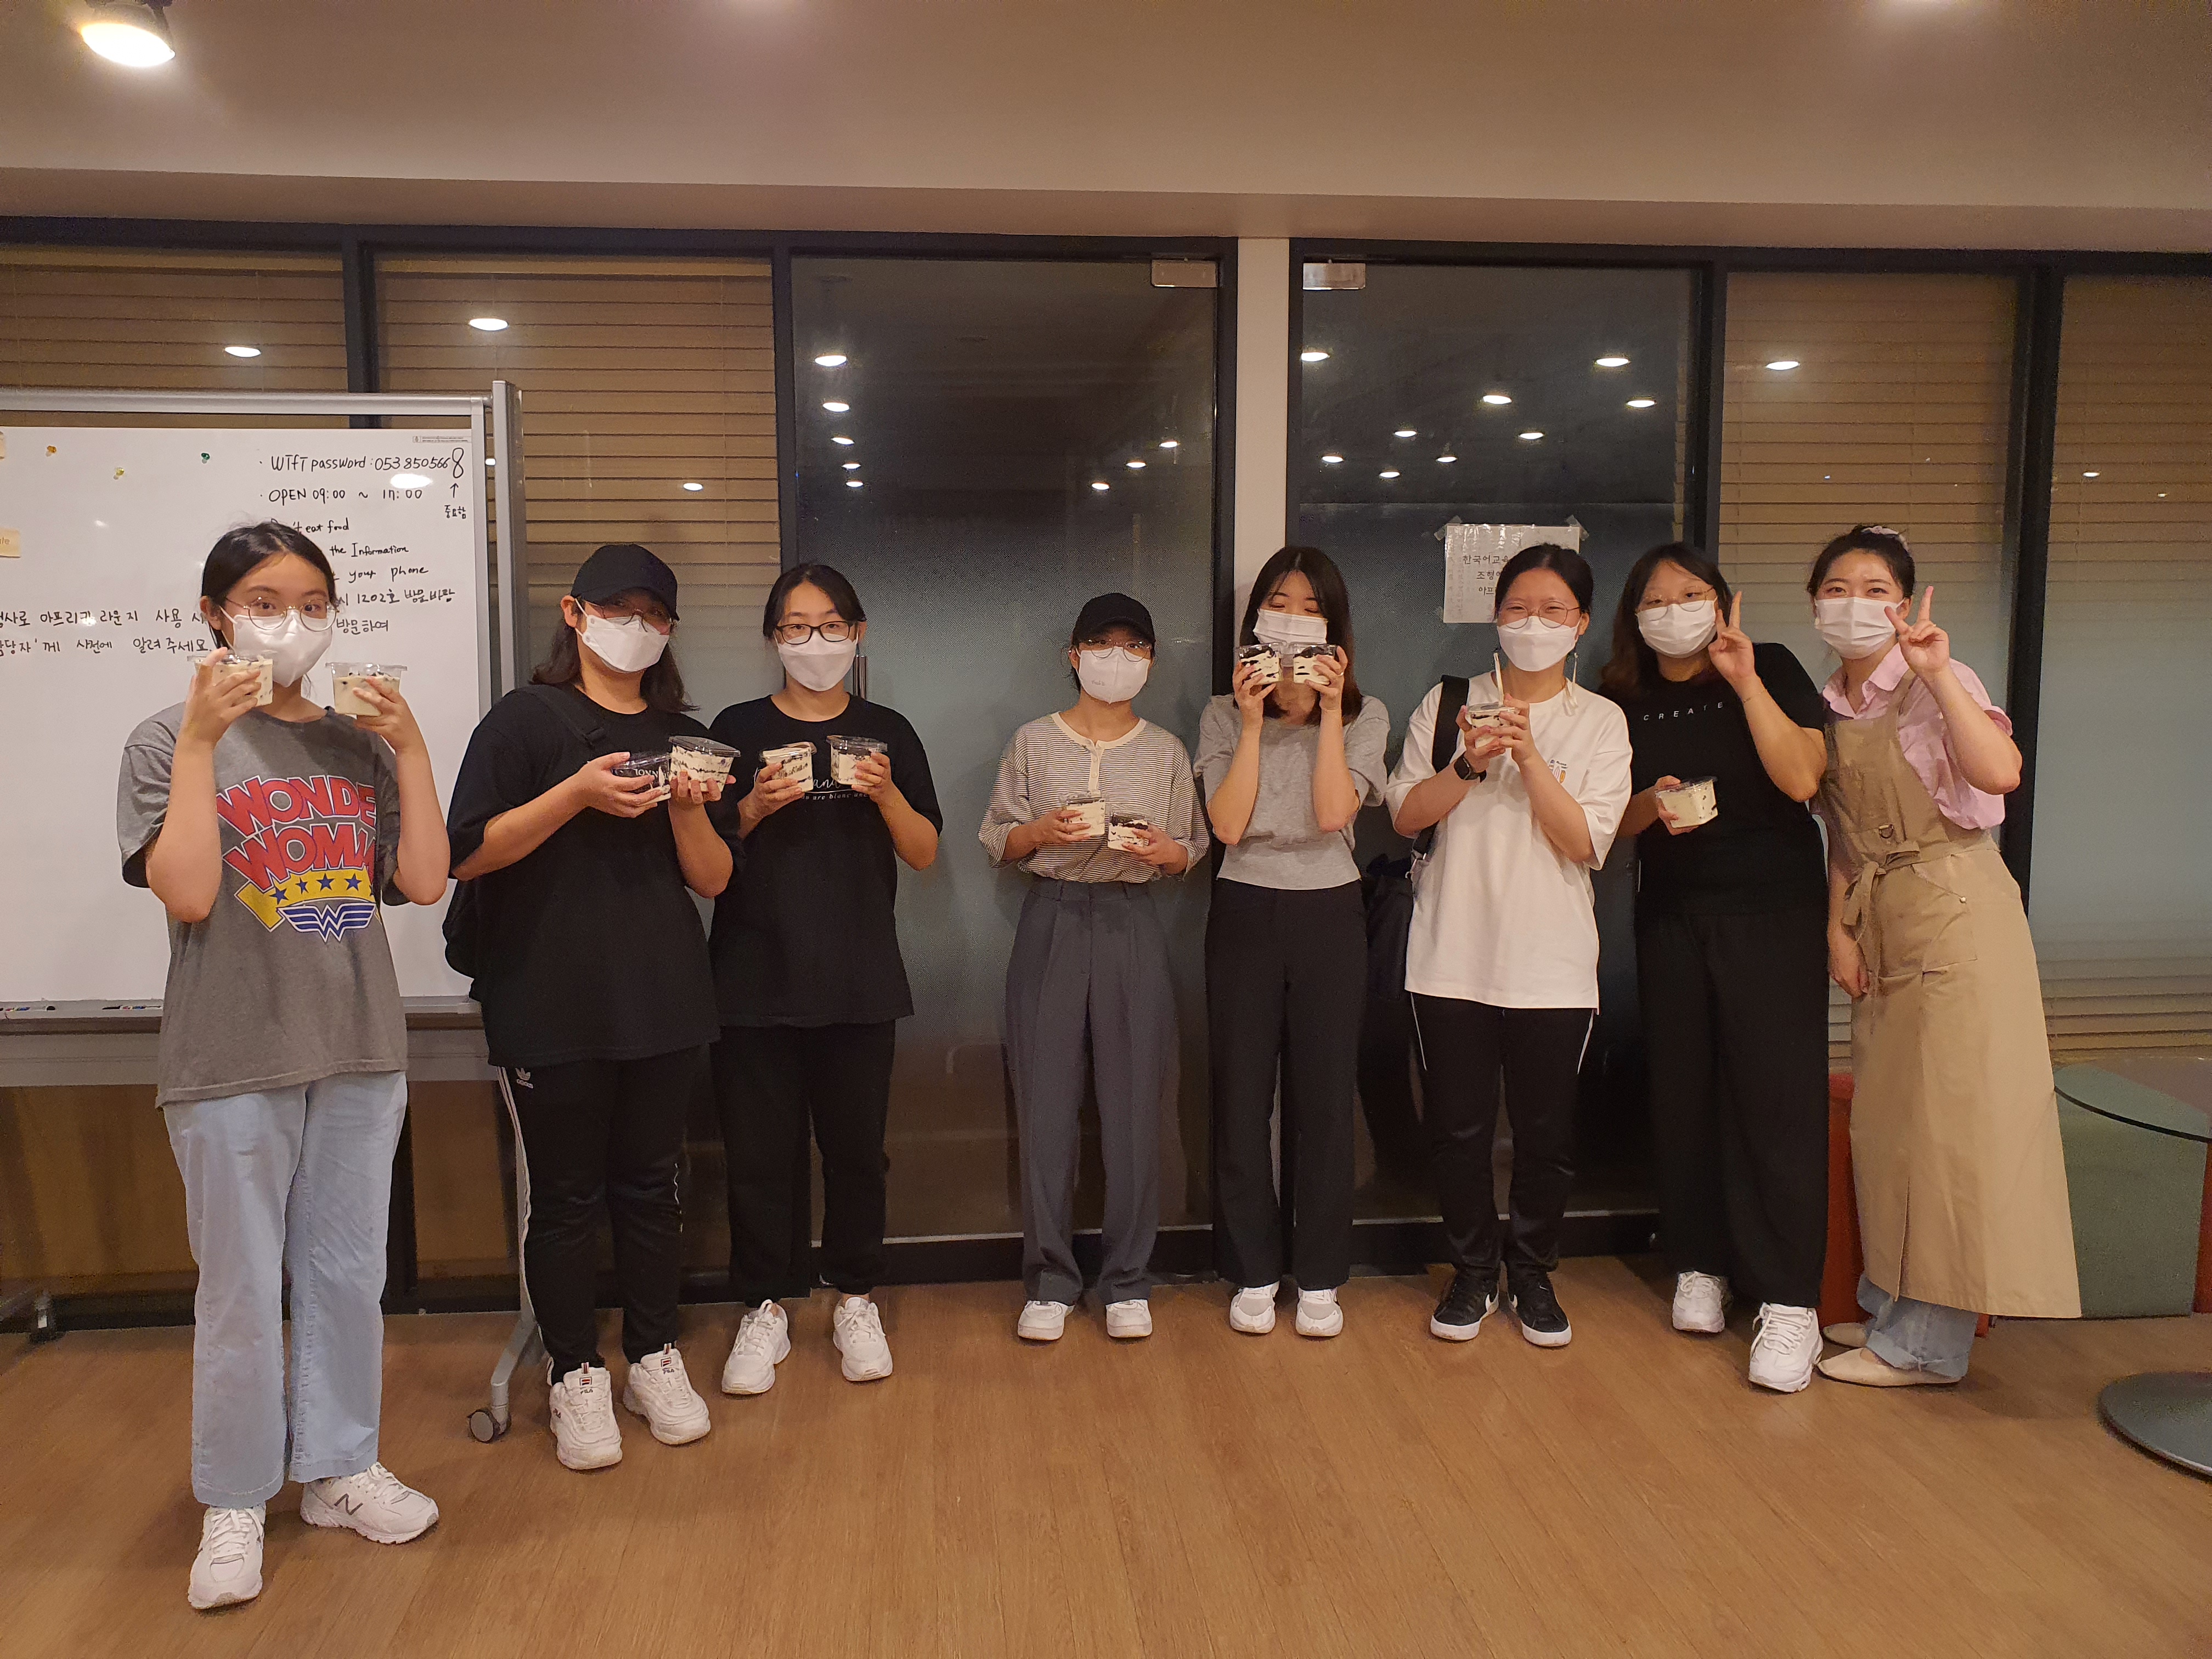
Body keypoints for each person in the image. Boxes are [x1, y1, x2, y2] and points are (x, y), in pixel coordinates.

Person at [117, 522, 449, 1610]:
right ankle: (236, 1496)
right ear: (215, 615)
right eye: (264, 602)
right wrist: (205, 740)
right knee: (242, 1290)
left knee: (349, 1275)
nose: (290, 624)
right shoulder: (165, 741)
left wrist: (411, 749)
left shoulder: (357, 743)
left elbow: (425, 880)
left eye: (312, 603)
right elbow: (188, 893)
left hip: (358, 1045)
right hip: (229, 1055)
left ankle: (340, 1469)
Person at [447, 543, 731, 1468]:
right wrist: (574, 793)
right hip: (548, 996)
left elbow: (714, 879)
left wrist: (686, 806)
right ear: (574, 615)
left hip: (664, 994)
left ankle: (653, 1356)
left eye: (653, 615)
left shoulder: (685, 735)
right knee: (566, 1196)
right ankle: (574, 1371)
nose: (634, 629)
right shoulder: (525, 720)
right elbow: (465, 853)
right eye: (617, 610)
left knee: (652, 1187)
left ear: (670, 630)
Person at [1806, 525, 2078, 1386]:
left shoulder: (1939, 679)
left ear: (1905, 603)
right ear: (1815, 604)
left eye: (1876, 589)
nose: (1855, 604)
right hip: (1881, 913)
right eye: (1837, 588)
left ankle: (1928, 1345)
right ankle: (1891, 1313)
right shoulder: (1830, 704)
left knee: (1949, 1129)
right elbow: (1844, 835)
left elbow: (2000, 773)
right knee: (1890, 1127)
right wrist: (1837, 929)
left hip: (1957, 909)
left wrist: (1935, 675)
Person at [1386, 544, 1632, 1348]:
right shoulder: (1451, 701)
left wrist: (1528, 757)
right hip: (1450, 953)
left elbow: (1585, 843)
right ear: (1496, 617)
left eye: (1553, 610)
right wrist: (1468, 763)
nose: (1534, 623)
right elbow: (1405, 816)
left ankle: (1531, 1272)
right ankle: (1473, 1271)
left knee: (1545, 1136)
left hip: (1552, 964)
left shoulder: (1600, 720)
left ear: (1581, 624)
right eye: (1519, 608)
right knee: (1456, 1132)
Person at [1602, 543, 1831, 1393]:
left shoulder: (1769, 666)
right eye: (1656, 599)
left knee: (1776, 1100)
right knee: (1684, 1089)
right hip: (1671, 912)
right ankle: (1700, 1261)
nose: (1674, 611)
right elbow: (1609, 823)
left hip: (1772, 913)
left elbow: (1802, 778)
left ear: (1722, 602)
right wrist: (1651, 805)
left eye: (1690, 594)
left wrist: (1745, 681)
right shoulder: (1622, 697)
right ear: (1634, 616)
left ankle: (1790, 1300)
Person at [708, 564, 941, 1392]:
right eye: (797, 627)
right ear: (774, 638)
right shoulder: (737, 728)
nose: (816, 641)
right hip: (753, 976)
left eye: (832, 625)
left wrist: (885, 796)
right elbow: (702, 858)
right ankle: (764, 1306)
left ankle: (855, 1297)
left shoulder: (888, 731)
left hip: (859, 976)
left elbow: (925, 851)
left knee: (856, 1153)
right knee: (759, 1156)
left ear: (858, 633)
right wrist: (754, 808)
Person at [980, 592, 1209, 1344]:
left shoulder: (1166, 750)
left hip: (1130, 920)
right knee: (1046, 1105)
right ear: (1074, 656)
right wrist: (1042, 831)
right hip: (1050, 916)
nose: (1119, 658)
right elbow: (998, 838)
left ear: (1151, 661)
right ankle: (1049, 1279)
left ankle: (1127, 1280)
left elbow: (1191, 847)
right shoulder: (1033, 741)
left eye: (1134, 647)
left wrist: (1163, 852)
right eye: (1103, 644)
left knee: (1136, 1105)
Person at [1196, 547, 1389, 1340]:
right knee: (1242, 1097)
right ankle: (1251, 1268)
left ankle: (1319, 1273)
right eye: (1280, 603)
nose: (1294, 619)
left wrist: (1331, 713)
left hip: (1329, 912)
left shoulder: (1367, 714)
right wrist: (1252, 722)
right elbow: (1228, 825)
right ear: (1256, 621)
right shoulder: (1221, 712)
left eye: (1312, 608)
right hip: (1244, 906)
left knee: (1324, 1101)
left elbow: (1336, 813)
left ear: (1334, 627)